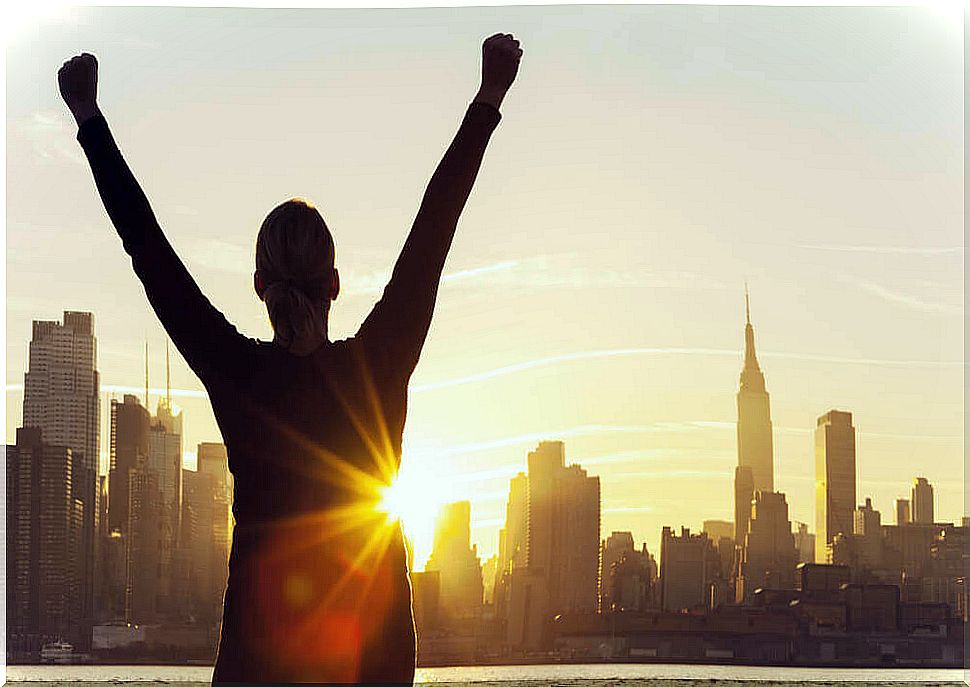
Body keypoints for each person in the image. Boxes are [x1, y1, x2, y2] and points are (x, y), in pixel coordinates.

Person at [59, 32, 522, 684]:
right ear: (334, 284)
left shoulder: (239, 375)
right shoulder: (378, 365)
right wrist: (488, 97)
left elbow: (150, 251)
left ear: (259, 287)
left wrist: (89, 119)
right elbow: (433, 230)